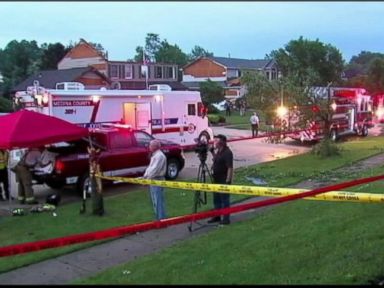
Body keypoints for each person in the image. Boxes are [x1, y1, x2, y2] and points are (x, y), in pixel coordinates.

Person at [208, 134, 233, 225]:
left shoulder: (228, 153)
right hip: (216, 178)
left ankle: (226, 219)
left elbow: (230, 168)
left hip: (223, 179)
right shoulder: (219, 151)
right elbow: (216, 160)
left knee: (224, 199)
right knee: (216, 198)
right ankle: (217, 216)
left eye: (216, 140)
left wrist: (228, 181)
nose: (214, 142)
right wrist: (212, 152)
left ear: (222, 142)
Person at [142, 140, 167, 220]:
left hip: (157, 180)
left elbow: (155, 170)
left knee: (158, 200)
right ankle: (158, 218)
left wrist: (147, 179)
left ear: (154, 146)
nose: (149, 147)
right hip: (153, 180)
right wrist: (145, 176)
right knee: (155, 200)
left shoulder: (160, 156)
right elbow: (150, 168)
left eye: (150, 145)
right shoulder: (155, 155)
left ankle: (161, 218)